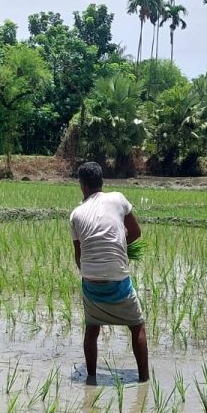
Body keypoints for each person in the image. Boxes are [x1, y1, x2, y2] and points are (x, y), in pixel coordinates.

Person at [69, 161, 149, 385]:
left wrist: (92, 274)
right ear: (102, 182)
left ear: (83, 185)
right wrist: (119, 248)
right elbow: (135, 232)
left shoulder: (76, 214)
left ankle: (91, 378)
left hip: (91, 282)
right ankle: (144, 380)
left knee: (91, 328)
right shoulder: (118, 199)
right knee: (137, 326)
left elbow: (79, 256)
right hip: (118, 281)